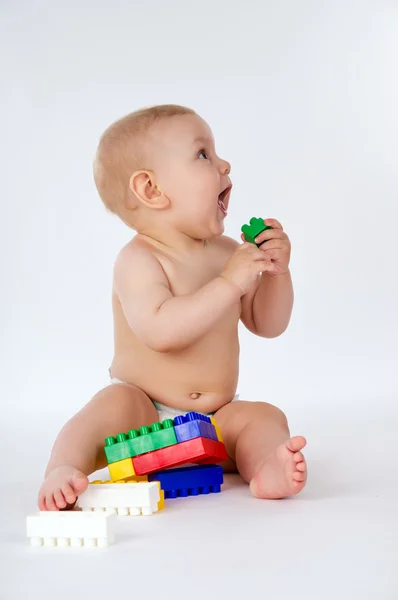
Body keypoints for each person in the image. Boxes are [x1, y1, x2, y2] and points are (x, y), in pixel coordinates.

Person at [38, 105, 307, 510]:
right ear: (151, 190)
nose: (224, 163)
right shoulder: (139, 260)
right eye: (203, 155)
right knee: (107, 408)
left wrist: (276, 274)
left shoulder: (229, 254)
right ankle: (63, 468)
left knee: (265, 416)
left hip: (215, 420)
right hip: (142, 416)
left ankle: (267, 465)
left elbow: (267, 324)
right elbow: (160, 331)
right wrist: (229, 283)